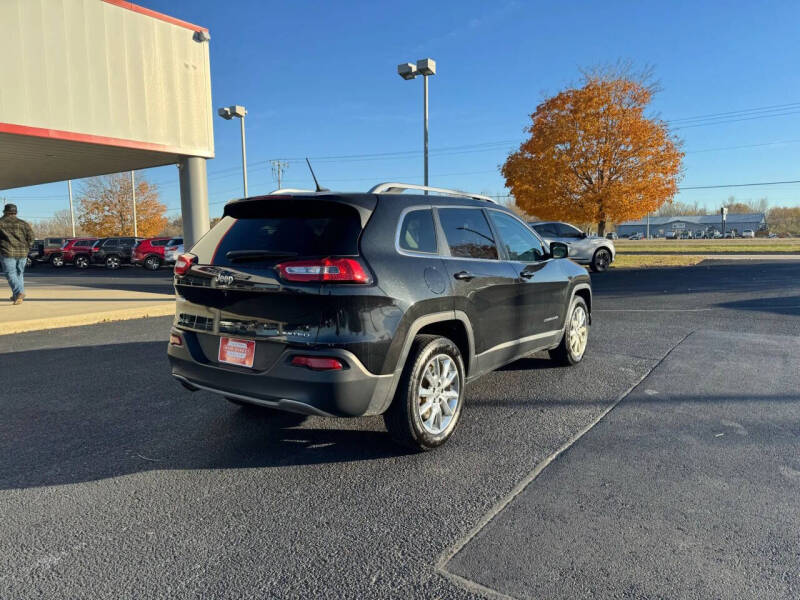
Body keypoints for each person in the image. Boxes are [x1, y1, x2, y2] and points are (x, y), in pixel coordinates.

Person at [0, 203, 35, 305]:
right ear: (15, 212)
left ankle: (19, 292)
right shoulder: (23, 223)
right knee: (19, 274)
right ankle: (17, 296)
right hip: (23, 253)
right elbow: (31, 237)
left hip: (7, 252)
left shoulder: (1, 222)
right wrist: (27, 248)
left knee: (10, 274)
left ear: (5, 212)